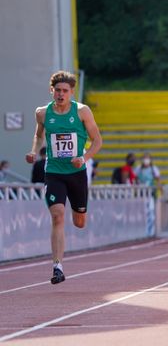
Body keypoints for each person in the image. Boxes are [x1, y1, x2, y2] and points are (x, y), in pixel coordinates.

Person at [24, 70, 102, 285]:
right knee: (57, 215)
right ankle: (57, 266)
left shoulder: (82, 112)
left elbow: (97, 141)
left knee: (79, 222)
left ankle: (79, 213)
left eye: (65, 91)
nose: (60, 94)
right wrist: (33, 151)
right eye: (57, 90)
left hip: (76, 173)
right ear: (52, 91)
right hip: (54, 172)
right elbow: (38, 135)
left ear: (71, 92)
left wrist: (84, 158)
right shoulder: (42, 113)